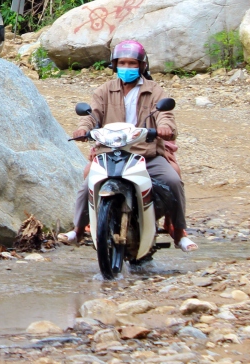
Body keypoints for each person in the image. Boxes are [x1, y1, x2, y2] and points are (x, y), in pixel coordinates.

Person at [60, 39, 197, 252]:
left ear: (142, 65)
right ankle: (78, 230)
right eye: (122, 63)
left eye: (132, 63)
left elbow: (165, 116)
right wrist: (82, 129)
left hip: (146, 154)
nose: (127, 68)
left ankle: (179, 233)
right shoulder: (104, 91)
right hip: (111, 152)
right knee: (88, 183)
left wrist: (164, 128)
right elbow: (92, 115)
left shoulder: (154, 90)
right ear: (115, 65)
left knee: (173, 181)